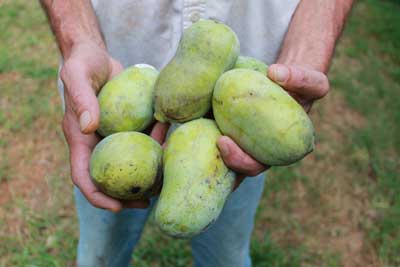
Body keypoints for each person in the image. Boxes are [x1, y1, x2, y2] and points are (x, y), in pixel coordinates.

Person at [40, 1, 354, 266]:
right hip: (112, 73)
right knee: (100, 251)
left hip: (240, 128)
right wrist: (78, 40)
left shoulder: (234, 86)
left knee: (225, 253)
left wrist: (307, 52)